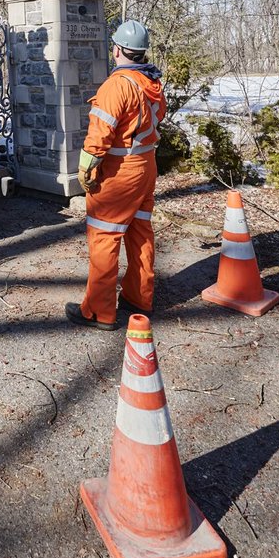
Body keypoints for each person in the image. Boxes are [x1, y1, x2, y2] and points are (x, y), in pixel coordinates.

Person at [65, 20, 167, 332]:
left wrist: (86, 167)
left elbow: (100, 133)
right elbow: (156, 118)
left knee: (104, 236)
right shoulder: (151, 83)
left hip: (120, 173)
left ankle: (99, 311)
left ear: (118, 50)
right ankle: (139, 297)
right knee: (139, 231)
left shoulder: (116, 85)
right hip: (145, 167)